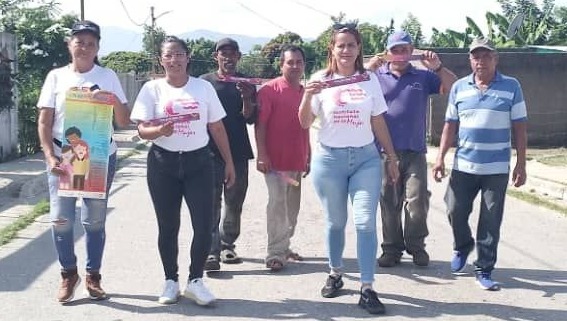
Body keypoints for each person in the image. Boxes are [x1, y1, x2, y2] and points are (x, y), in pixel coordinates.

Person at [298, 23, 399, 315]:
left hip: (366, 160)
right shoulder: (320, 80)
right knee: (336, 222)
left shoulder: (368, 80)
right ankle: (336, 272)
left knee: (365, 222)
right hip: (330, 161)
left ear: (359, 49)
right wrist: (306, 95)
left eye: (351, 45)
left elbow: (378, 120)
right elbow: (304, 123)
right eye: (340, 45)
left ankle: (367, 287)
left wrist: (391, 157)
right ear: (332, 48)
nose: (345, 50)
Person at [130, 36, 236, 305]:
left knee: (203, 226)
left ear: (188, 57)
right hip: (163, 164)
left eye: (179, 54)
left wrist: (230, 163)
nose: (174, 60)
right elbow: (142, 129)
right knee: (168, 226)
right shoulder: (151, 89)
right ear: (161, 60)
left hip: (199, 163)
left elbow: (217, 127)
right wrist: (159, 131)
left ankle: (196, 281)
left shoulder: (203, 88)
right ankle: (170, 281)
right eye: (169, 55)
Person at [37, 20, 130, 303]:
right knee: (61, 220)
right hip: (64, 156)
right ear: (70, 44)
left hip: (99, 155)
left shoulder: (108, 76)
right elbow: (44, 121)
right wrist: (50, 155)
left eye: (91, 43)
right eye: (79, 42)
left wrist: (111, 99)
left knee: (94, 221)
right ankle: (68, 274)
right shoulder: (56, 77)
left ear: (98, 47)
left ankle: (93, 275)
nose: (85, 47)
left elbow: (124, 121)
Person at [432, 37, 527, 291]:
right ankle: (463, 245)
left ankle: (484, 268)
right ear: (470, 60)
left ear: (495, 58)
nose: (481, 61)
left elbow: (519, 126)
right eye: (476, 57)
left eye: (486, 56)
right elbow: (449, 125)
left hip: (496, 168)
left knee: (490, 219)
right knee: (454, 209)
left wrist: (521, 163)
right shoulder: (459, 88)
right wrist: (440, 158)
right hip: (464, 165)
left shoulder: (511, 86)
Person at [366, 30, 457, 267]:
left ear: (411, 51)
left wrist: (437, 67)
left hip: (414, 151)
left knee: (417, 201)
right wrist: (368, 67)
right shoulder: (375, 76)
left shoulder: (423, 76)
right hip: (385, 152)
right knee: (388, 201)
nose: (399, 54)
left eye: (404, 49)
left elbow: (455, 88)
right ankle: (391, 249)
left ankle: (416, 246)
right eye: (395, 50)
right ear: (387, 52)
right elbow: (350, 83)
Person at [200, 38, 257, 271]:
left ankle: (227, 245)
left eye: (232, 53)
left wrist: (246, 97)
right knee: (211, 203)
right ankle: (211, 251)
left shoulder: (246, 83)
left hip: (238, 151)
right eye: (223, 53)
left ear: (239, 57)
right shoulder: (204, 83)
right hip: (209, 152)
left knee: (235, 202)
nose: (228, 57)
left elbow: (251, 118)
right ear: (216, 57)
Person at [255, 45, 310, 271]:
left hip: (296, 163)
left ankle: (284, 245)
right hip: (275, 165)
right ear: (281, 65)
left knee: (291, 208)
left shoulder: (305, 92)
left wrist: (308, 156)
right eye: (290, 62)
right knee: (277, 204)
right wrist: (262, 154)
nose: (295, 66)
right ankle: (275, 253)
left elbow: (306, 128)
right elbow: (261, 125)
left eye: (299, 62)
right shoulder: (269, 91)